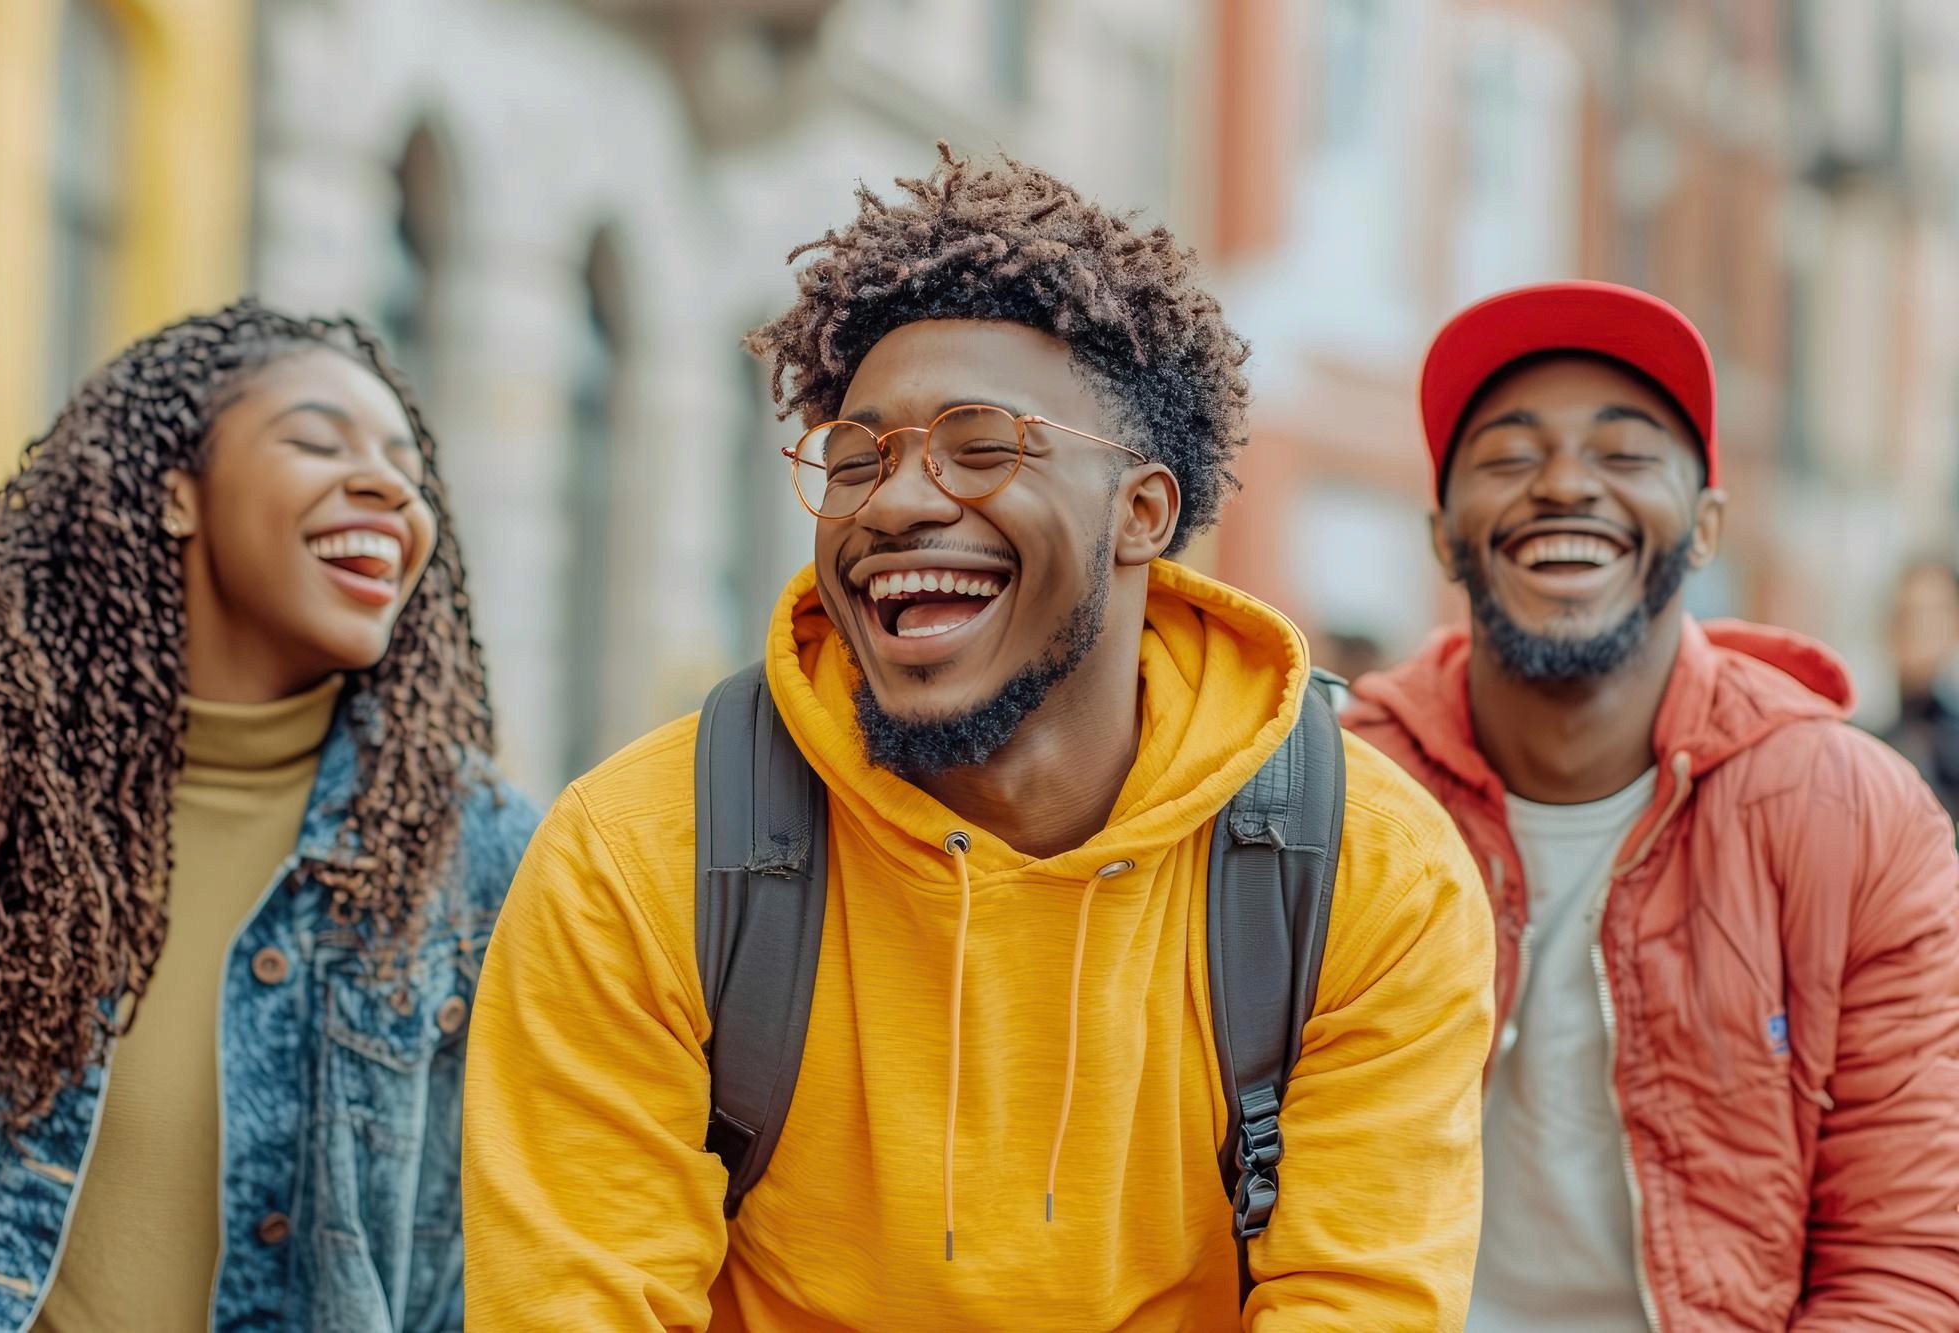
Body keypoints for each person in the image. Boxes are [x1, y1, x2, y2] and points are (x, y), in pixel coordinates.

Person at [463, 146, 1494, 1330]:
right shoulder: (638, 858)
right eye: (857, 458)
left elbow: (1355, 1305)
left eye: (981, 444)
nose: (895, 501)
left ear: (1140, 513)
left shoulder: (1366, 872)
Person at [1343, 280, 1959, 1330]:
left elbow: (1900, 1257)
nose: (1564, 485)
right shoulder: (1335, 795)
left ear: (1705, 524)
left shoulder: (1854, 816)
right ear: (1445, 533)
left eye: (1625, 454)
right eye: (1507, 455)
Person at [0, 300, 538, 1330]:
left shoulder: (481, 854)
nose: (386, 484)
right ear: (177, 494)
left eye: (407, 466)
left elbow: (503, 1257)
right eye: (316, 440)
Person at [1881, 556, 1959, 818]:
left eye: (1929, 615)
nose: (1917, 629)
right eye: (1905, 614)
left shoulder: (1950, 741)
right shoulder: (1875, 735)